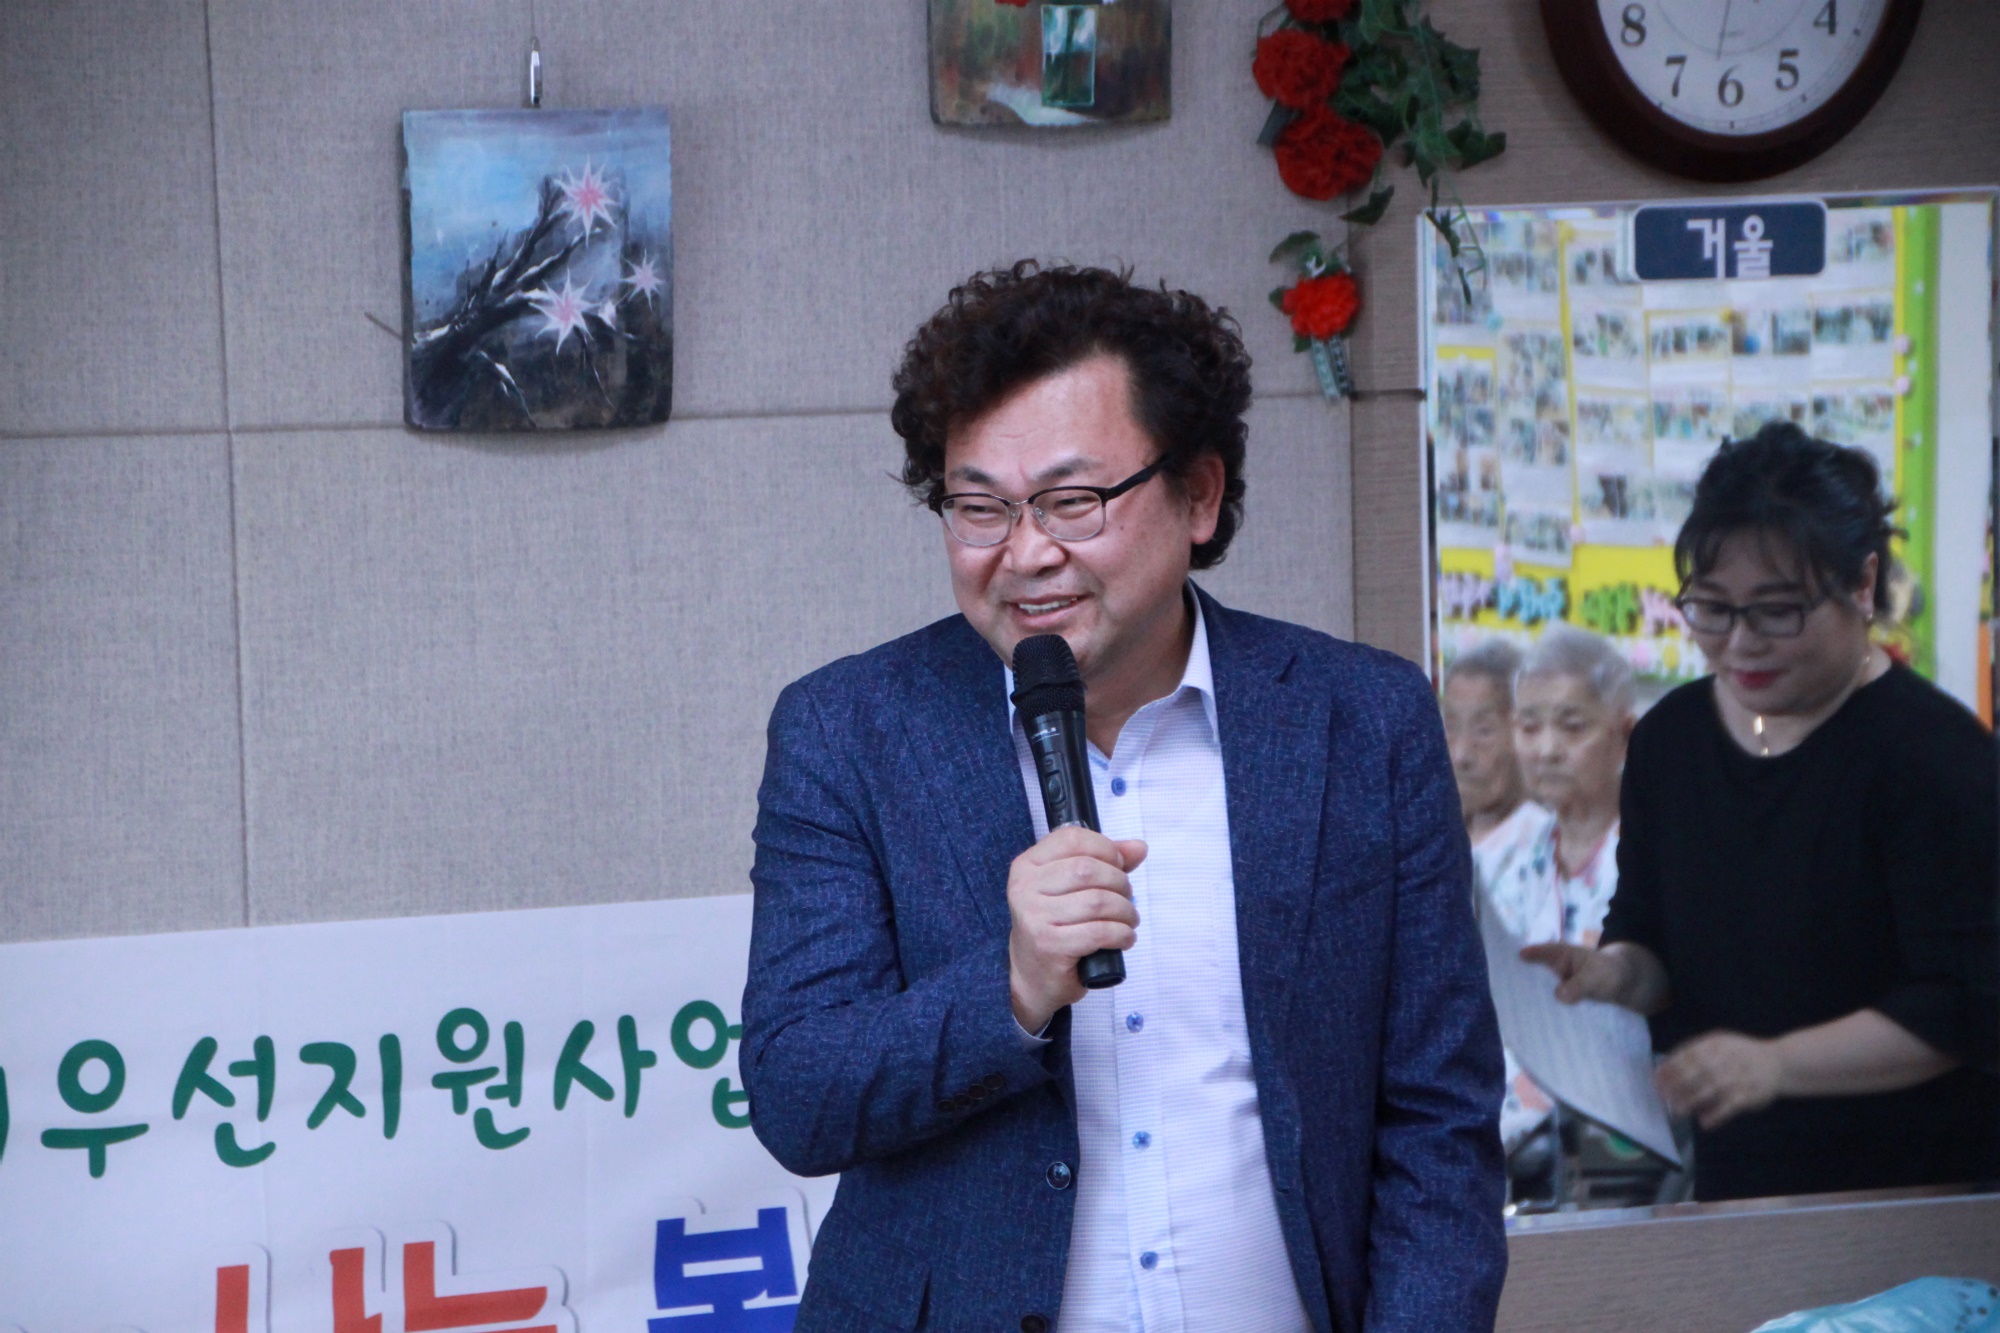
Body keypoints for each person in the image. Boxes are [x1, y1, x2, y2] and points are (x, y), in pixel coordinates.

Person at [742, 263, 1506, 1333]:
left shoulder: (1360, 721)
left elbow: (1438, 1116)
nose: (1026, 554)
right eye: (979, 508)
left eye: (1072, 500)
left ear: (1198, 494)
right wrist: (1010, 988)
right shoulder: (849, 731)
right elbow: (797, 1093)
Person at [1525, 422, 1999, 1202]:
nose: (1740, 643)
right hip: (1738, 1184)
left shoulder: (1935, 759)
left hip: (1915, 1197)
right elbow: (1652, 935)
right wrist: (1615, 973)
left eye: (1776, 611)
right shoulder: (1670, 743)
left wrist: (1775, 1063)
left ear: (1862, 584)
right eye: (1711, 609)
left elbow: (1963, 1006)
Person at [1479, 626, 1634, 1165]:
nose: (1546, 750)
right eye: (1528, 726)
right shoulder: (1502, 861)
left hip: (1610, 1141)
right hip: (1503, 1135)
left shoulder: (1653, 855)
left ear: (1625, 735)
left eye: (1572, 727)